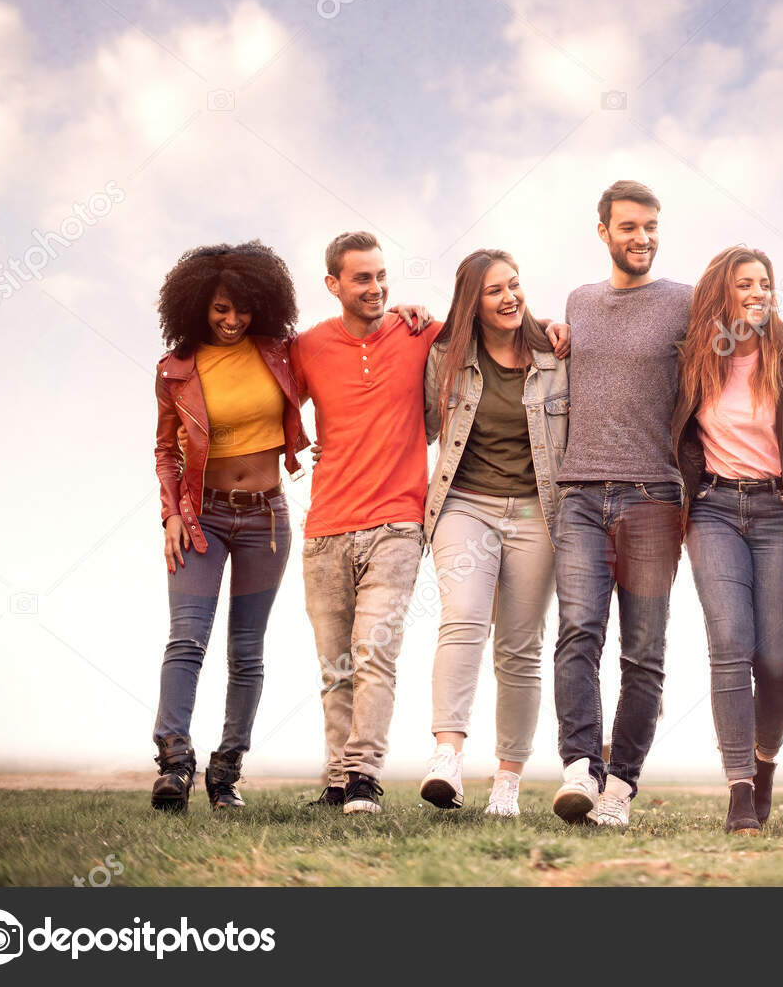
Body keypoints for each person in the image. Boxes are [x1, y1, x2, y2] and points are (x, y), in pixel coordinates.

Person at [551, 179, 692, 828]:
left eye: (652, 226)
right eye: (630, 226)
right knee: (579, 633)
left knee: (643, 652)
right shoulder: (578, 302)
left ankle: (622, 785)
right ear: (603, 231)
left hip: (653, 497)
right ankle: (580, 764)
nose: (643, 238)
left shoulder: (687, 303)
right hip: (579, 492)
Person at [151, 241, 308, 812]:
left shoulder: (284, 354)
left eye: (242, 308)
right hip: (202, 519)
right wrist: (171, 513)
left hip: (267, 518)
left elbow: (350, 351)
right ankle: (174, 762)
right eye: (220, 308)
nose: (232, 319)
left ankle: (226, 772)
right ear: (197, 306)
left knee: (247, 650)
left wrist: (406, 317)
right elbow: (166, 451)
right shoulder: (176, 369)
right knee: (187, 640)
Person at [291, 231, 440, 814]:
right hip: (325, 528)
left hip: (398, 523)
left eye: (382, 276)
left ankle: (362, 776)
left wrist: (556, 331)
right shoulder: (308, 348)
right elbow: (269, 401)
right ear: (333, 285)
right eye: (362, 278)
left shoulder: (417, 330)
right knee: (335, 667)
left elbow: (490, 330)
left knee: (373, 652)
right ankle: (334, 780)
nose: (377, 287)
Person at [417, 249, 569, 819]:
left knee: (520, 649)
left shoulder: (555, 354)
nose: (510, 298)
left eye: (515, 285)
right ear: (471, 303)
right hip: (465, 506)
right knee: (463, 620)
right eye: (494, 291)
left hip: (536, 514)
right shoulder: (447, 358)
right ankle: (447, 757)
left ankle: (507, 779)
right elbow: (422, 428)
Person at [671, 246, 783, 835]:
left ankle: (765, 760)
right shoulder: (696, 355)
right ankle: (739, 789)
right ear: (723, 292)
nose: (758, 292)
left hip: (776, 511)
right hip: (715, 508)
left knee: (776, 661)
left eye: (765, 283)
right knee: (730, 642)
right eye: (746, 283)